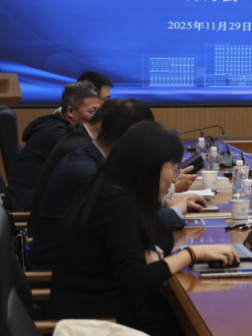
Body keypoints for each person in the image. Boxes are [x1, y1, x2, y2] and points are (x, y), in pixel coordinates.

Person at [48, 121, 237, 335]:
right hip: (96, 324)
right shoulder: (115, 202)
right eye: (174, 168)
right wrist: (192, 254)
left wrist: (152, 251)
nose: (173, 180)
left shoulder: (116, 189)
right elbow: (139, 279)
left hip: (109, 310)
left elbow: (160, 232)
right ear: (151, 165)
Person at [29, 98, 206, 270]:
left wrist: (165, 200)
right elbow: (126, 228)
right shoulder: (87, 172)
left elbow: (126, 216)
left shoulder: (93, 157)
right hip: (60, 274)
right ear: (132, 140)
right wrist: (173, 213)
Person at [7, 81, 103, 211]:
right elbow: (90, 163)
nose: (100, 119)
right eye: (92, 112)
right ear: (70, 111)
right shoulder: (55, 135)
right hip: (28, 211)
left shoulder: (62, 126)